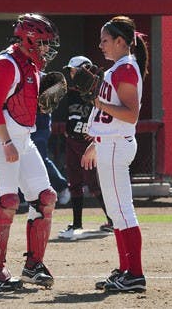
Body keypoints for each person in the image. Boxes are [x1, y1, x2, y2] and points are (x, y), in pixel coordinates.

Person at [0, 13, 60, 291]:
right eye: (43, 43)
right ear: (28, 40)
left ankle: (33, 266)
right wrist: (6, 142)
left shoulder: (30, 64)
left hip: (22, 139)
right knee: (6, 202)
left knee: (45, 197)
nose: (47, 48)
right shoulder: (6, 64)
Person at [81, 16, 149, 293]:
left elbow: (131, 116)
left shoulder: (126, 69)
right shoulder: (119, 68)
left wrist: (96, 100)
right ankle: (125, 270)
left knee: (122, 212)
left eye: (106, 40)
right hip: (109, 144)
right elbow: (110, 116)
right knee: (116, 212)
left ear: (121, 42)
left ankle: (135, 273)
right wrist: (95, 141)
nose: (101, 45)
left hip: (117, 145)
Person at [58, 56, 113, 240]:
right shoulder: (72, 90)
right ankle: (77, 223)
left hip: (88, 143)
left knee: (94, 182)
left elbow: (105, 112)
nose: (72, 74)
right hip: (72, 140)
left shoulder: (98, 89)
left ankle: (113, 220)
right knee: (74, 181)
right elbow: (71, 113)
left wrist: (97, 132)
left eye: (74, 70)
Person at [31, 111, 70, 205]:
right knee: (23, 161)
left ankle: (62, 187)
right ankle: (22, 196)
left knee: (40, 159)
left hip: (40, 124)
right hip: (22, 125)